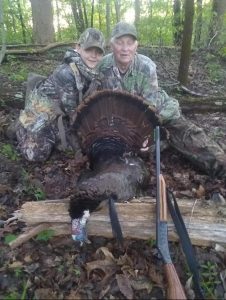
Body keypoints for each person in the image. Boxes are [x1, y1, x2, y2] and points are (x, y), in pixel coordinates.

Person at [98, 21, 226, 179]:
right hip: (125, 122)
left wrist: (144, 135)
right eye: (120, 43)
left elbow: (150, 107)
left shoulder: (146, 66)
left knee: (192, 140)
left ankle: (221, 166)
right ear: (111, 45)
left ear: (136, 45)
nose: (125, 48)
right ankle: (161, 143)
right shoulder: (103, 66)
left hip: (160, 113)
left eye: (130, 43)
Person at [16, 28, 105, 162]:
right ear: (78, 48)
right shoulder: (67, 73)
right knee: (36, 154)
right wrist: (79, 150)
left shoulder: (94, 72)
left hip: (62, 115)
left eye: (98, 52)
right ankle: (19, 128)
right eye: (89, 50)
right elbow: (74, 116)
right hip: (44, 115)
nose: (94, 56)